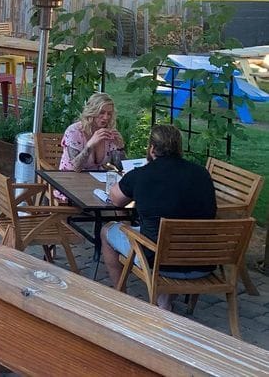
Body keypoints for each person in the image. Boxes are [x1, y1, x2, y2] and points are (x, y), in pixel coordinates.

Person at [101, 124, 217, 309]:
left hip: (158, 262)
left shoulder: (142, 175)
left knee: (107, 230)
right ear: (179, 148)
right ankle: (164, 301)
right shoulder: (201, 174)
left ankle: (121, 296)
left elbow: (116, 199)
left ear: (152, 148)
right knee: (169, 231)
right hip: (203, 261)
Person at [60, 92, 126, 172]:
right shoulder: (74, 131)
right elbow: (76, 167)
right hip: (70, 176)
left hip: (98, 178)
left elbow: (120, 167)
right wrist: (90, 145)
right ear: (92, 112)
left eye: (109, 114)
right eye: (101, 112)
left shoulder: (108, 133)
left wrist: (120, 147)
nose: (106, 117)